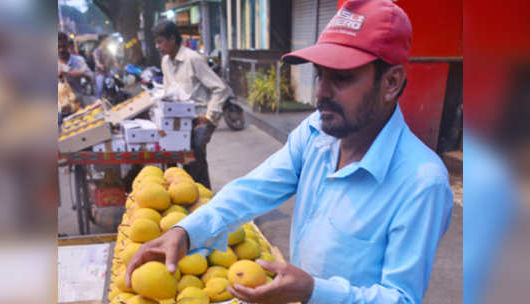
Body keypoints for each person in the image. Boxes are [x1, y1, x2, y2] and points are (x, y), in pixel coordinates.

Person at [126, 1, 453, 303]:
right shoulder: (316, 133)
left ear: (392, 82)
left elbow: (401, 298)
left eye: (341, 78)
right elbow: (252, 190)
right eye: (319, 75)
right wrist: (185, 232)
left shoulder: (421, 182)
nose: (321, 93)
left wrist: (314, 290)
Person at [152, 21, 230, 189]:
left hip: (199, 118)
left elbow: (220, 88)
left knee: (194, 157)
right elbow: (169, 92)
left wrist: (210, 117)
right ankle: (183, 195)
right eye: (156, 42)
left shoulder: (192, 58)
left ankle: (202, 198)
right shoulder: (165, 62)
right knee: (171, 159)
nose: (158, 46)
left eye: (160, 41)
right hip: (179, 119)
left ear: (172, 39)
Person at [58, 32, 93, 105]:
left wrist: (82, 74)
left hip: (79, 104)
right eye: (58, 47)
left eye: (63, 46)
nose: (61, 49)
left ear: (68, 45)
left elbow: (92, 78)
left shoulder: (79, 60)